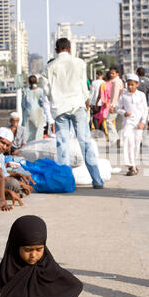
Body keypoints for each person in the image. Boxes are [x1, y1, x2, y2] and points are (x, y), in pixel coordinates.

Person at [42, 38, 104, 189]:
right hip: (77, 106)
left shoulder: (49, 67)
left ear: (56, 50)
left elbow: (45, 90)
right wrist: (85, 100)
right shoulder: (80, 63)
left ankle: (66, 182)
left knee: (63, 145)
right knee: (85, 143)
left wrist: (55, 98)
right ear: (69, 49)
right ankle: (97, 180)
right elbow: (84, 86)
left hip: (60, 109)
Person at [116, 74, 148, 176]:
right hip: (128, 123)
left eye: (132, 85)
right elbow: (118, 108)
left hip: (138, 124)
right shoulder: (124, 95)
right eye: (128, 84)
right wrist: (124, 113)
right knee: (128, 143)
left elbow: (145, 110)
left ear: (137, 85)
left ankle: (133, 165)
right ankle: (132, 166)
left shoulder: (141, 95)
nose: (130, 86)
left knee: (136, 144)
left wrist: (143, 122)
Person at [22, 75, 44, 142]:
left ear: (29, 81)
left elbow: (23, 104)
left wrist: (25, 111)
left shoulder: (25, 91)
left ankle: (28, 144)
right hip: (38, 112)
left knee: (28, 130)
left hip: (28, 112)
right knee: (38, 130)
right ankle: (37, 144)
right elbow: (42, 102)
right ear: (36, 81)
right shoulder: (40, 91)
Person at [106, 66, 124, 146]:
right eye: (110, 73)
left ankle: (116, 138)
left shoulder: (116, 82)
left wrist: (112, 106)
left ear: (117, 74)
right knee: (119, 124)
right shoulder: (119, 81)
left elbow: (116, 94)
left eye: (113, 73)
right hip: (121, 105)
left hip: (116, 105)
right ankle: (120, 141)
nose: (111, 75)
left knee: (108, 121)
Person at [93, 71, 112, 138]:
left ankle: (104, 133)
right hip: (112, 105)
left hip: (104, 105)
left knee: (100, 119)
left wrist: (96, 103)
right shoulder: (114, 84)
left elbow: (100, 95)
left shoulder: (103, 84)